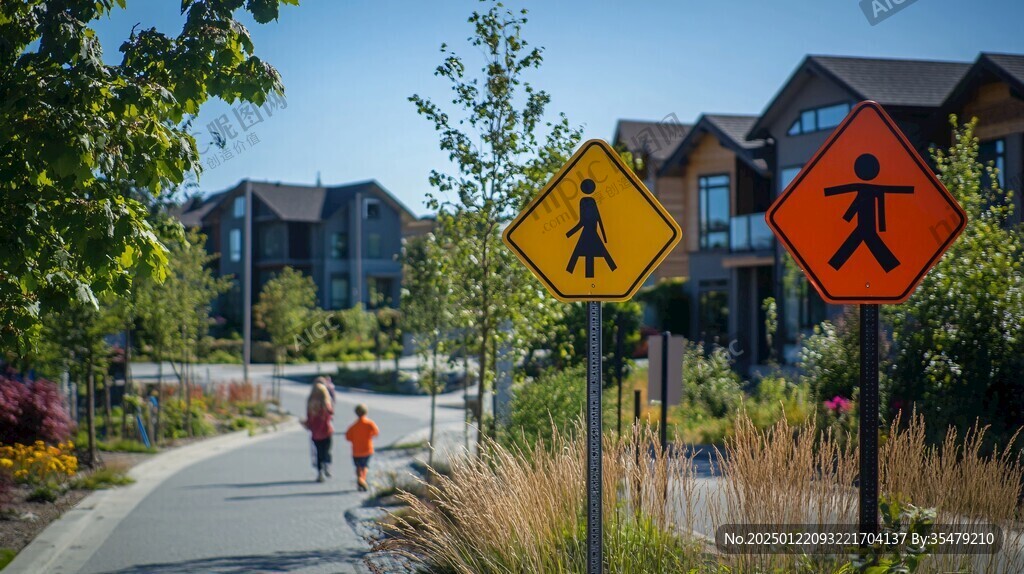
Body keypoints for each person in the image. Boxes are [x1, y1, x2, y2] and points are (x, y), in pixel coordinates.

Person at [303, 381, 334, 483]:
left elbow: (309, 419)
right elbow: (331, 414)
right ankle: (327, 465)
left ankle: (320, 472)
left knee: (318, 453)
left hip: (315, 433)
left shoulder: (310, 405)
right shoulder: (326, 404)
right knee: (327, 451)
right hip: (326, 431)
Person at [344, 404, 379, 492]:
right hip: (367, 449)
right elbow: (376, 432)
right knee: (365, 466)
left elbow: (348, 437)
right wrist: (369, 436)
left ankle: (360, 479)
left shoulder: (353, 426)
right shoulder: (369, 423)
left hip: (356, 451)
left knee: (358, 466)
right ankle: (362, 479)